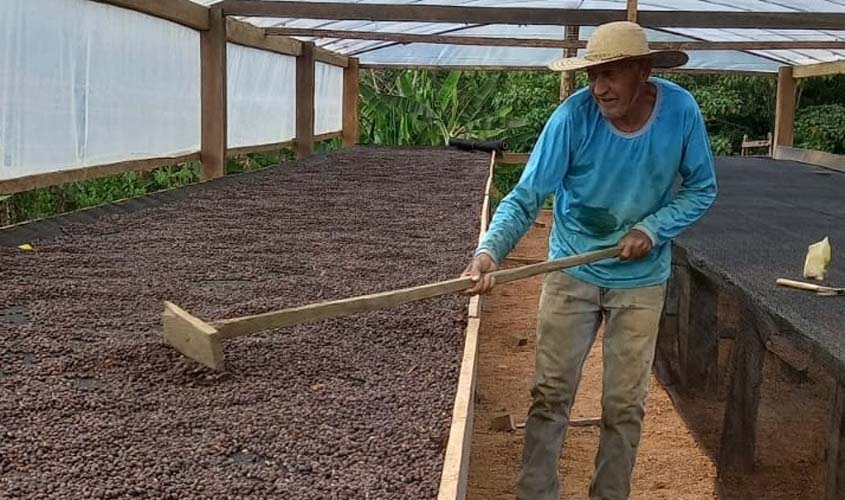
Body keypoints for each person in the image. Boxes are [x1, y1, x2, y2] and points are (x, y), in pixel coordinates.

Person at [462, 21, 718, 500]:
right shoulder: (572, 118)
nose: (599, 88)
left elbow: (702, 188)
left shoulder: (680, 112)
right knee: (550, 395)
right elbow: (525, 196)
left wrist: (652, 228)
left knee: (624, 405)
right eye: (592, 76)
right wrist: (488, 252)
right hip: (572, 270)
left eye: (612, 74)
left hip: (641, 280)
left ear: (643, 72)